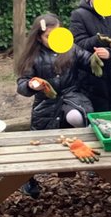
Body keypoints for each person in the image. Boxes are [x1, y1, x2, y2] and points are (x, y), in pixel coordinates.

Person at [15, 13, 95, 198]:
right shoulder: (33, 57)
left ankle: (86, 158)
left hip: (72, 96)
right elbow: (23, 83)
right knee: (39, 144)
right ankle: (28, 180)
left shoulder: (71, 48)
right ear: (38, 37)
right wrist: (31, 85)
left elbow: (87, 59)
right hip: (46, 104)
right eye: (48, 36)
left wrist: (96, 59)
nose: (54, 40)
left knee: (79, 117)